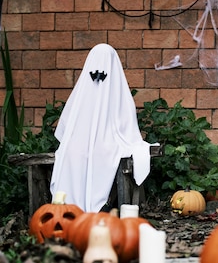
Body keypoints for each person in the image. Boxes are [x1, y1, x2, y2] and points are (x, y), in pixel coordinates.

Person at [50, 43, 153, 212]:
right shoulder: (84, 92)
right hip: (79, 147)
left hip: (105, 146)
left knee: (98, 154)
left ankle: (82, 207)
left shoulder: (116, 93)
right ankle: (72, 206)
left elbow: (125, 126)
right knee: (75, 155)